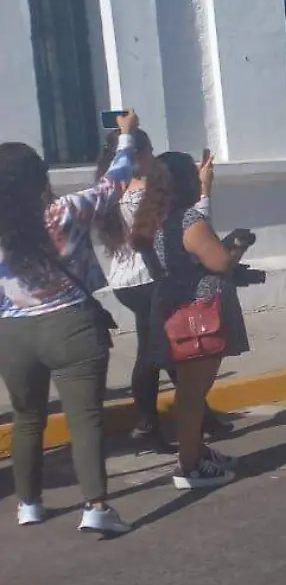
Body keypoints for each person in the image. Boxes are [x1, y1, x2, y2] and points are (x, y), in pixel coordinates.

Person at [0, 110, 140, 534]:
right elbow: (115, 182)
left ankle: (29, 503)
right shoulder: (65, 212)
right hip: (69, 324)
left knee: (26, 419)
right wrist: (126, 138)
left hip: (12, 334)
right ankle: (95, 507)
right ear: (38, 179)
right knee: (85, 419)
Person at [91, 130, 227, 454]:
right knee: (158, 353)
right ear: (136, 156)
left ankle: (195, 416)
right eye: (149, 151)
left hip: (126, 280)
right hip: (149, 278)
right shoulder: (146, 193)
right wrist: (204, 188)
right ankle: (150, 423)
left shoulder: (109, 191)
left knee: (161, 349)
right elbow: (188, 228)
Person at [134, 152, 250, 490]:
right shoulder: (187, 220)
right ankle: (189, 465)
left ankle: (197, 451)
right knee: (192, 394)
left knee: (189, 390)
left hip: (174, 309)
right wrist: (238, 245)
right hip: (201, 314)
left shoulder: (151, 217)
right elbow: (219, 262)